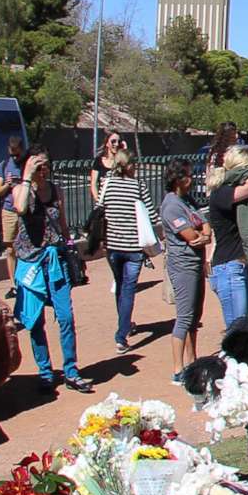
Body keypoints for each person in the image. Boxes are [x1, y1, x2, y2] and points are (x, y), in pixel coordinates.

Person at [7, 152, 91, 396]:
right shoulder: (20, 190)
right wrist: (26, 177)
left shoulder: (56, 190)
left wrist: (72, 249)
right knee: (35, 321)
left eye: (46, 166)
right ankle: (45, 371)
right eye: (38, 166)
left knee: (65, 316)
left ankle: (71, 371)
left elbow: (62, 224)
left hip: (56, 261)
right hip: (31, 264)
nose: (43, 171)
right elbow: (20, 207)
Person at [202, 145, 248, 344]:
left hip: (239, 267)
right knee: (237, 331)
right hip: (228, 267)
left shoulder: (232, 192)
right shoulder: (222, 193)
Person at [89, 139, 150, 351]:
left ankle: (123, 324)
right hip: (134, 247)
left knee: (120, 285)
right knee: (128, 290)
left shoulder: (107, 184)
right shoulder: (138, 186)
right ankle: (121, 334)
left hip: (113, 246)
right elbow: (150, 214)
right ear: (130, 165)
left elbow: (100, 208)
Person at [156, 166, 209, 379]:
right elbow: (190, 236)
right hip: (183, 266)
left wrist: (203, 235)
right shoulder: (171, 206)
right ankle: (178, 369)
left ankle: (192, 360)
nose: (192, 179)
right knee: (185, 317)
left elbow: (205, 226)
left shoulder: (188, 200)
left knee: (195, 316)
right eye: (187, 176)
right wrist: (201, 236)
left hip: (196, 263)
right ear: (177, 180)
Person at [0, 135, 27, 252]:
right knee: (10, 248)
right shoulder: (4, 165)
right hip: (9, 210)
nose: (14, 158)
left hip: (26, 209)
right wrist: (7, 184)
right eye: (12, 154)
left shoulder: (28, 165)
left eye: (17, 154)